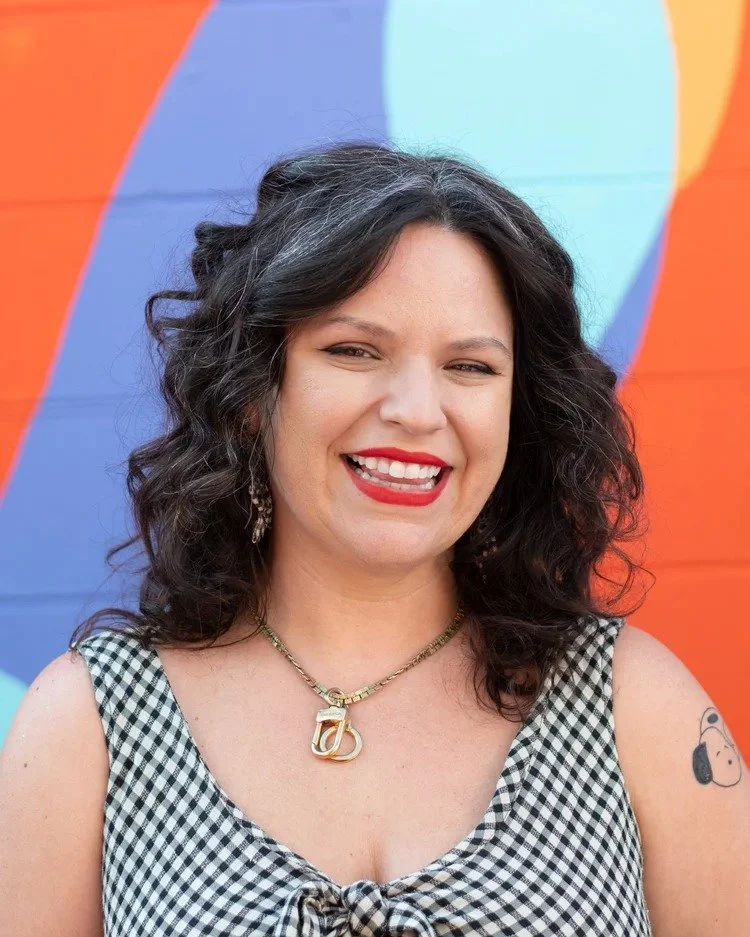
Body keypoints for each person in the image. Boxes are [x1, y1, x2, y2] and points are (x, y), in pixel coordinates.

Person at [1, 141, 748, 937]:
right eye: (354, 351)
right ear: (253, 391)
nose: (418, 410)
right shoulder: (91, 726)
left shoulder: (636, 707)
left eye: (470, 367)